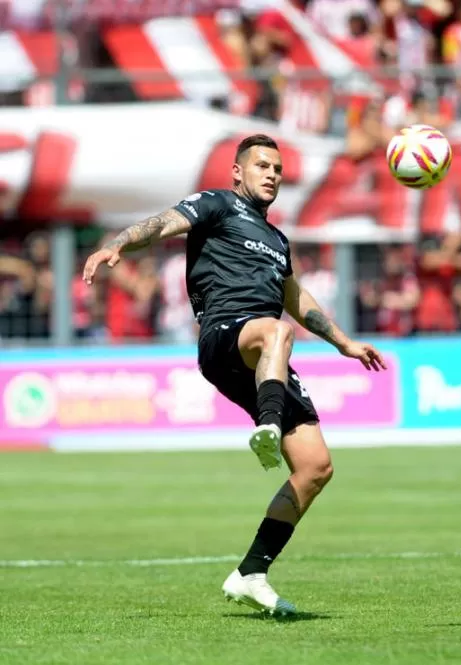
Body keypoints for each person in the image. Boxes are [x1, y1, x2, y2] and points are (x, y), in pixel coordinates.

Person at [82, 134, 387, 616]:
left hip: (265, 352)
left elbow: (295, 298)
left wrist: (344, 342)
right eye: (262, 165)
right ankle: (266, 426)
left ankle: (251, 572)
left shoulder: (278, 241)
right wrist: (118, 244)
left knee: (315, 467)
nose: (272, 174)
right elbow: (163, 223)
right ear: (237, 172)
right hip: (225, 335)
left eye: (278, 169)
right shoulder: (218, 205)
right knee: (276, 334)